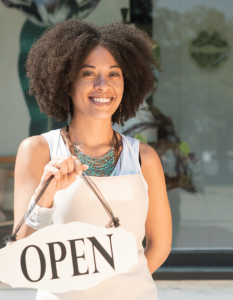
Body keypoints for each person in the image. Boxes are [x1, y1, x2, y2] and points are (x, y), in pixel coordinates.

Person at [12, 19, 172, 300]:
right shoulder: (38, 151)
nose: (103, 85)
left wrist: (119, 287)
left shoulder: (144, 157)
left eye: (114, 74)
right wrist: (46, 195)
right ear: (66, 80)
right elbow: (22, 251)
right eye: (88, 73)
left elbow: (159, 245)